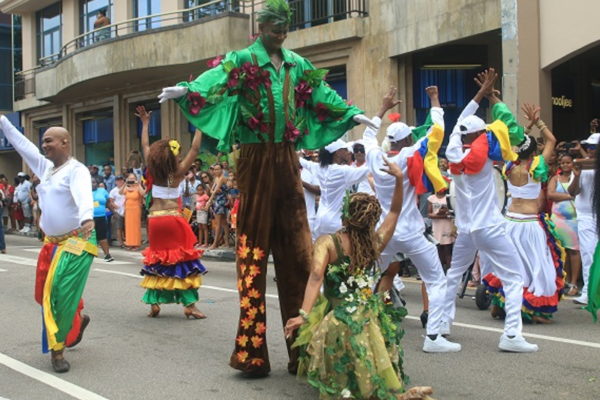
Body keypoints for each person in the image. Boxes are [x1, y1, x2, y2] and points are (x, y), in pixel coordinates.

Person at [159, 0, 376, 375]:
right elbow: (217, 81)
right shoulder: (243, 60)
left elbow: (319, 94)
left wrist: (348, 113)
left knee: (299, 258)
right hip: (255, 163)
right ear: (262, 27)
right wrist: (187, 89)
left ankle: (303, 352)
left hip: (289, 162)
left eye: (285, 27)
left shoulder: (297, 63)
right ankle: (252, 353)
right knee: (252, 256)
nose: (282, 33)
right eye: (276, 26)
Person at [285, 158, 434, 400]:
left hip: (339, 319)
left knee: (346, 379)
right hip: (369, 315)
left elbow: (315, 278)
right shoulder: (375, 242)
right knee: (369, 369)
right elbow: (396, 210)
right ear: (371, 220)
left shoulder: (328, 242)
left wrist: (303, 315)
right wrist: (399, 179)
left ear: (345, 216)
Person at [443, 69, 537, 352]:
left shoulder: (454, 153)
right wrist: (492, 97)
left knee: (452, 275)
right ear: (481, 133)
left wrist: (481, 95)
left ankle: (440, 327)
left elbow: (460, 124)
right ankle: (511, 337)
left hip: (467, 229)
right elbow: (510, 134)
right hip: (490, 227)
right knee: (513, 277)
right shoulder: (485, 158)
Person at [364, 86, 459, 352]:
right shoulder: (409, 155)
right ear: (406, 140)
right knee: (436, 280)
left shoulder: (374, 156)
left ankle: (359, 324)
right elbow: (435, 131)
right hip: (410, 232)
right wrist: (435, 101)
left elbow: (368, 134)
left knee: (368, 277)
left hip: (384, 232)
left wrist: (382, 108)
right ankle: (433, 339)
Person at [0, 115, 96, 373]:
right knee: (46, 295)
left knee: (58, 294)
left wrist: (87, 218)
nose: (43, 145)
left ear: (65, 143)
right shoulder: (46, 168)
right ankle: (77, 321)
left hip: (77, 241)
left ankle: (57, 351)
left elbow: (84, 194)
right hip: (51, 245)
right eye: (43, 141)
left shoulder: (77, 170)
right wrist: (2, 121)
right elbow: (22, 145)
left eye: (49, 141)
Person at [483, 103, 564, 324]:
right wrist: (538, 121)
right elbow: (552, 141)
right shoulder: (537, 165)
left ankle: (502, 305)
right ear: (534, 152)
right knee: (536, 266)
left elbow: (516, 145)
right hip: (529, 224)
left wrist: (526, 128)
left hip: (509, 222)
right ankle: (533, 309)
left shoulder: (510, 166)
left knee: (511, 264)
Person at [136, 106, 207, 319]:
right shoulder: (178, 172)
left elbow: (145, 145)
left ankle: (154, 303)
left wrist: (146, 123)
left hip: (155, 220)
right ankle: (190, 305)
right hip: (174, 219)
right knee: (182, 261)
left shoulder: (154, 170)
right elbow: (195, 149)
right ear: (174, 157)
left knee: (158, 260)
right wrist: (199, 123)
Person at [299, 140, 370, 237]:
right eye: (345, 150)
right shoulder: (343, 171)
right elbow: (368, 170)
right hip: (335, 223)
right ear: (338, 153)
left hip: (319, 221)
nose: (348, 152)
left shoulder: (319, 167)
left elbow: (302, 161)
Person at [568, 131, 599, 305]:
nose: (590, 150)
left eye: (593, 147)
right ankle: (588, 292)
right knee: (588, 254)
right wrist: (577, 176)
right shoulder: (580, 167)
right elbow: (573, 192)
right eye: (588, 147)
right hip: (586, 216)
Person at [548, 154, 580, 296]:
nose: (566, 165)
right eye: (563, 163)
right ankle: (560, 281)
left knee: (574, 251)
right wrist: (569, 196)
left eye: (568, 163)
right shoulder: (555, 178)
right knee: (559, 251)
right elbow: (550, 195)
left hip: (573, 220)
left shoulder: (577, 178)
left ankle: (573, 283)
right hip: (558, 220)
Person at [427, 187, 454, 270]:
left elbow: (452, 214)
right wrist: (439, 213)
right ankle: (440, 269)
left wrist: (442, 214)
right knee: (438, 248)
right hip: (437, 226)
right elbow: (429, 214)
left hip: (447, 225)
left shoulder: (449, 197)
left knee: (447, 248)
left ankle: (449, 270)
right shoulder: (431, 198)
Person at [206, 163, 230, 249]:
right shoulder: (216, 178)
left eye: (218, 169)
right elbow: (212, 191)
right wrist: (214, 192)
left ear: (222, 169)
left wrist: (209, 201)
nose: (216, 171)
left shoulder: (222, 178)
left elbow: (214, 191)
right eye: (215, 169)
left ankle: (215, 243)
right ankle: (226, 242)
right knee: (223, 222)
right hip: (218, 200)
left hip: (221, 202)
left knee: (218, 223)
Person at [120, 173, 144, 250]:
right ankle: (130, 243)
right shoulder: (127, 188)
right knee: (128, 226)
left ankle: (136, 244)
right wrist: (125, 183)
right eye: (130, 179)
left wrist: (138, 184)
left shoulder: (137, 187)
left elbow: (143, 193)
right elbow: (120, 192)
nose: (132, 180)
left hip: (136, 208)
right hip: (128, 209)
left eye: (133, 178)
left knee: (135, 226)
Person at [91, 179, 114, 262]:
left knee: (102, 236)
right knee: (89, 236)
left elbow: (108, 203)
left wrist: (113, 212)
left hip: (101, 217)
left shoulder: (102, 191)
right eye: (90, 182)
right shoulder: (84, 191)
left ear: (97, 184)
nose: (92, 184)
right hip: (89, 218)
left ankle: (107, 255)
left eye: (94, 182)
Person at [300, 152, 320, 241]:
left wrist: (302, 183)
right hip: (290, 221)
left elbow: (319, 190)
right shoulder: (284, 171)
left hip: (309, 219)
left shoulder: (310, 171)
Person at [109, 176, 126, 248]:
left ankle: (127, 240)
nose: (120, 182)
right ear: (116, 182)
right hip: (118, 211)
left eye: (121, 180)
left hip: (126, 210)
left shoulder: (126, 189)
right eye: (118, 180)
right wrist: (116, 207)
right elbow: (111, 201)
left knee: (126, 227)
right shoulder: (113, 191)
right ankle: (121, 243)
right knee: (119, 227)